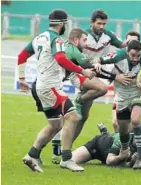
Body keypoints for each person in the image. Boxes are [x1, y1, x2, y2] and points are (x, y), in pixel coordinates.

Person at [18, 9, 96, 172]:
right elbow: (60, 59)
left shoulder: (39, 38)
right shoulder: (57, 39)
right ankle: (66, 159)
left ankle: (32, 155)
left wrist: (22, 79)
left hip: (42, 86)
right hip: (51, 87)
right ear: (62, 24)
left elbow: (21, 56)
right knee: (74, 117)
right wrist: (83, 71)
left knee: (56, 124)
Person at [50, 9, 133, 162]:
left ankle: (64, 151)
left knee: (81, 117)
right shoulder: (83, 35)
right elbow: (72, 53)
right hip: (83, 73)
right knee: (99, 91)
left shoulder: (108, 35)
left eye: (104, 24)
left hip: (95, 73)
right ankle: (79, 102)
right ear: (92, 23)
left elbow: (122, 46)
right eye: (99, 23)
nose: (101, 26)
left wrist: (128, 43)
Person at [94, 40, 141, 170]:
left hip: (139, 94)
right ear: (127, 52)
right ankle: (124, 151)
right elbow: (99, 59)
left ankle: (140, 159)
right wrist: (100, 65)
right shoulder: (118, 55)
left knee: (135, 120)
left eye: (138, 56)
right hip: (121, 96)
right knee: (123, 130)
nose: (136, 59)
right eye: (133, 55)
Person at [72, 123, 141, 168]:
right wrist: (121, 157)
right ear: (136, 137)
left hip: (110, 153)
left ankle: (105, 132)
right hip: (97, 147)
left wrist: (132, 162)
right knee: (72, 160)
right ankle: (105, 134)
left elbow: (128, 165)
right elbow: (109, 161)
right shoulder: (123, 139)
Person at [111, 30, 141, 133]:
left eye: (134, 42)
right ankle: (120, 144)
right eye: (129, 42)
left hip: (135, 95)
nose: (131, 44)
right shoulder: (118, 56)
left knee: (133, 122)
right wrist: (116, 76)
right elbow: (105, 69)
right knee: (116, 123)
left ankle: (129, 145)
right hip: (120, 94)